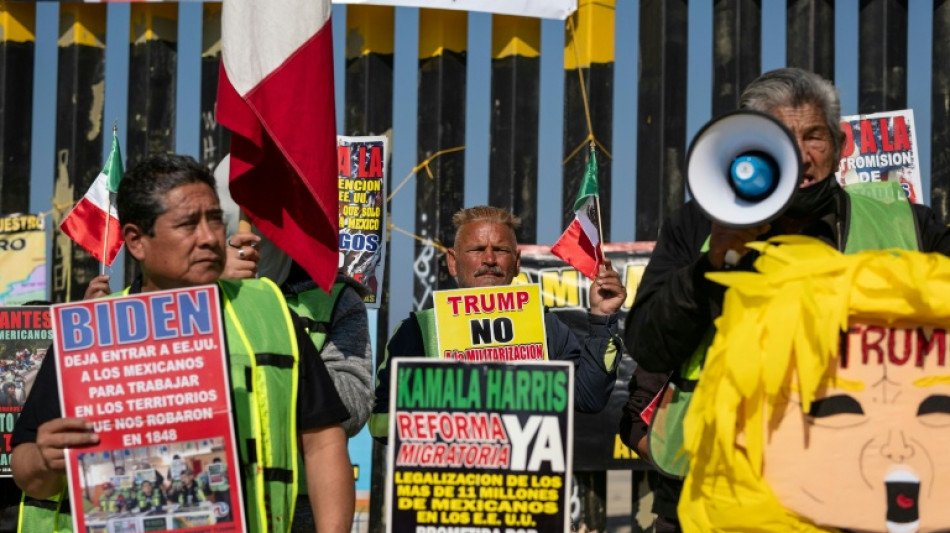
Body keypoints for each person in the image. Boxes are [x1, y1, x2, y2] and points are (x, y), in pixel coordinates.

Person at [620, 67, 950, 532]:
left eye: (814, 136)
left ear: (841, 145)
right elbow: (649, 343)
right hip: (720, 485)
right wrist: (708, 267)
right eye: (779, 138)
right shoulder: (698, 225)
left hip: (864, 487)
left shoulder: (909, 224)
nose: (800, 155)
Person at [11, 153, 354, 532]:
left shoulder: (269, 313)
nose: (209, 238)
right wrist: (44, 460)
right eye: (188, 224)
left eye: (215, 221)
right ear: (136, 241)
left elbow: (323, 443)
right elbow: (30, 473)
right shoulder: (88, 333)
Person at [370, 205, 628, 441]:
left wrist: (602, 317)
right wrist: (445, 415)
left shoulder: (545, 326)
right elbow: (379, 424)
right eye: (477, 250)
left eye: (501, 250)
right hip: (447, 486)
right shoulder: (418, 330)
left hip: (525, 487)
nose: (489, 259)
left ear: (516, 263)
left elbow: (589, 397)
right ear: (452, 261)